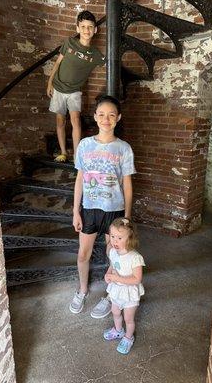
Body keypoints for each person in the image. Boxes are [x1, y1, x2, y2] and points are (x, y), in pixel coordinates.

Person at [70, 95, 136, 319]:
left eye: (111, 115)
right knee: (83, 254)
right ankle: (82, 290)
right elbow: (80, 178)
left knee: (114, 256)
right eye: (101, 114)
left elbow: (127, 185)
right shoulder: (85, 145)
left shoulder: (123, 148)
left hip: (114, 211)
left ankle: (110, 295)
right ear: (95, 117)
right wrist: (75, 210)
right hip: (89, 208)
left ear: (118, 118)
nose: (106, 119)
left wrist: (126, 217)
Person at [47, 10, 106, 162]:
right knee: (60, 121)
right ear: (78, 28)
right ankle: (63, 152)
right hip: (58, 88)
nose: (87, 30)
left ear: (95, 30)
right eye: (83, 26)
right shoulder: (69, 43)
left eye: (90, 27)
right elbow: (57, 63)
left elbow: (108, 64)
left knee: (75, 120)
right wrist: (49, 82)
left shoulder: (96, 54)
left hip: (74, 92)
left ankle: (76, 154)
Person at [103, 217, 145, 354]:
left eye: (120, 238)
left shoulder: (135, 258)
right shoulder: (113, 252)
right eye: (113, 236)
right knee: (115, 311)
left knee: (128, 318)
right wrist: (108, 274)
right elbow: (112, 265)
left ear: (130, 238)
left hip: (129, 293)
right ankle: (118, 330)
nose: (114, 241)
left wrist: (117, 277)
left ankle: (128, 337)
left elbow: (137, 279)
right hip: (116, 290)